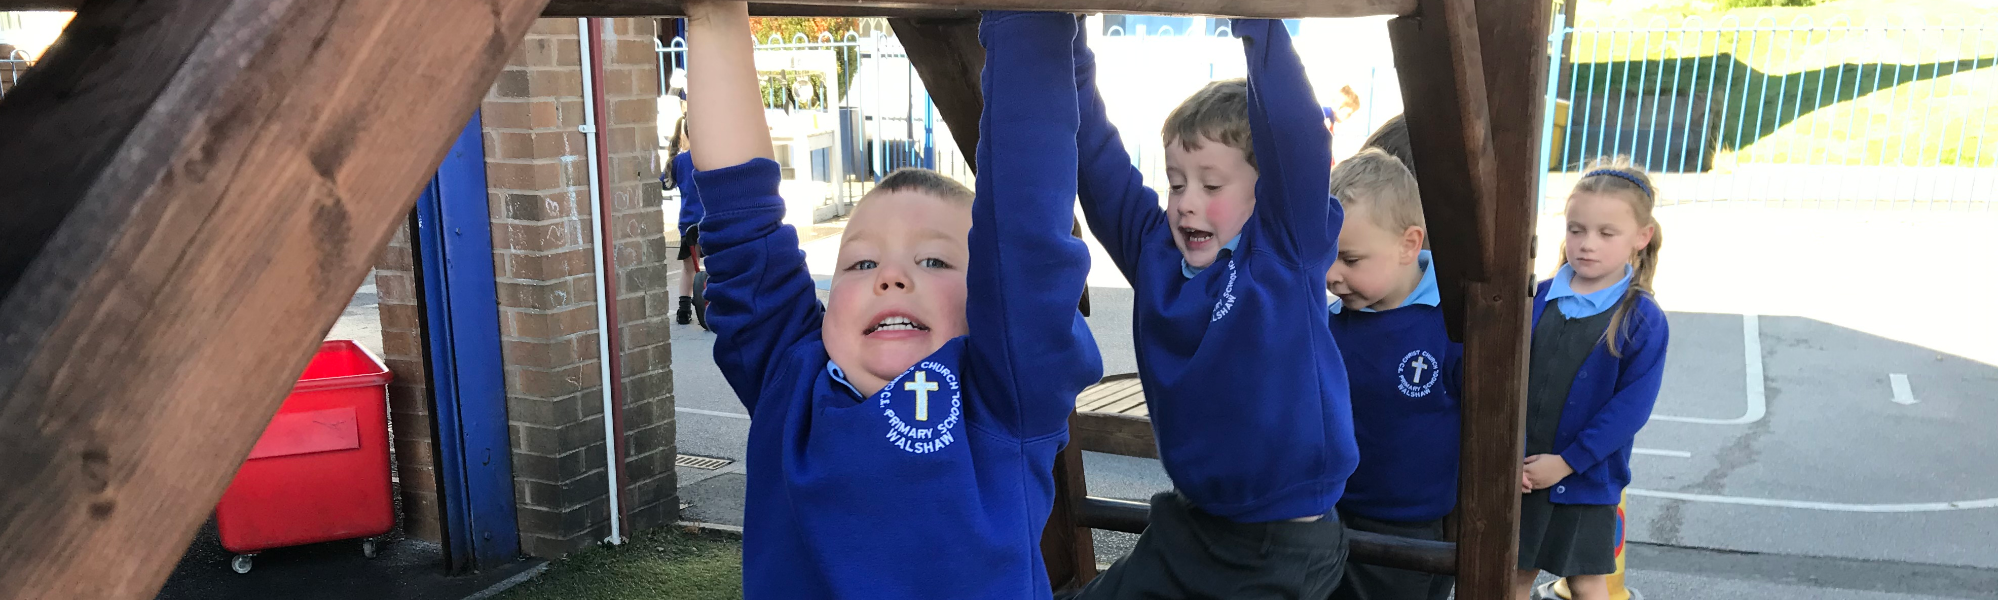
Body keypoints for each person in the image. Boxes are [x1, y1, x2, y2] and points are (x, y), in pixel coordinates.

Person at [683, 3, 1101, 598]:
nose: (891, 277)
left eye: (933, 260)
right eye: (861, 262)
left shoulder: (1003, 394)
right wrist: (713, 17)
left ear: (989, 297)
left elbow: (1027, 230)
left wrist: (1026, 16)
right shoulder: (791, 382)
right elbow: (743, 225)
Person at [1064, 17, 1353, 600]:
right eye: (1175, 184)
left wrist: (1258, 22)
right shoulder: (1157, 258)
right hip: (1191, 526)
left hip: (1279, 547)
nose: (1186, 203)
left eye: (1211, 186)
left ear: (1264, 189)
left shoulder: (1283, 255)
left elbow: (1296, 139)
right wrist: (1066, 39)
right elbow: (1097, 162)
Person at [1514, 157, 1669, 600]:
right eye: (1576, 229)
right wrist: (1513, 459)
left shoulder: (1642, 318)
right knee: (1513, 577)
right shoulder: (1537, 298)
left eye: (1606, 233)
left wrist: (1566, 462)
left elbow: (1629, 410)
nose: (1586, 244)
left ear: (1641, 238)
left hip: (1584, 480)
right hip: (1522, 474)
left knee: (1586, 583)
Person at [1323, 148, 1460, 600]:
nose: (1331, 274)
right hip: (1332, 513)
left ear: (1408, 244)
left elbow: (1497, 412)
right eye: (1325, 255)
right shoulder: (1330, 321)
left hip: (1411, 527)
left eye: (1349, 259)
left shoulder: (1451, 323)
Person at [662, 116, 706, 326]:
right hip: (712, 220)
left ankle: (684, 310)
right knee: (718, 265)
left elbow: (665, 184)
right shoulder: (712, 157)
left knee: (689, 269)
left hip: (688, 223)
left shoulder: (678, 161)